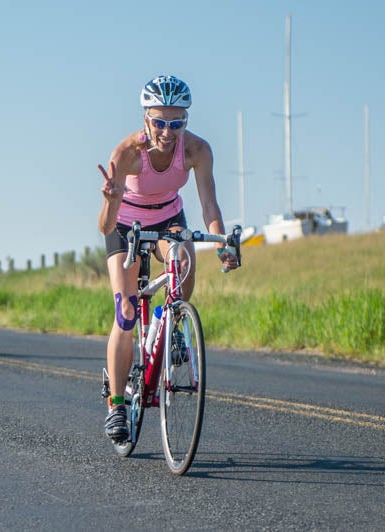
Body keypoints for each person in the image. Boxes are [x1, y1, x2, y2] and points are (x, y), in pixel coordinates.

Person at [97, 75, 239, 442]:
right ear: (146, 117)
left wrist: (223, 242)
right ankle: (116, 405)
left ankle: (171, 320)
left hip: (167, 219)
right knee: (126, 312)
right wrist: (112, 197)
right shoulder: (127, 152)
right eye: (159, 122)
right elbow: (104, 225)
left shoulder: (197, 150)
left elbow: (209, 204)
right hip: (125, 224)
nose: (167, 131)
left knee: (183, 255)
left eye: (176, 123)